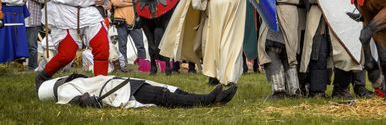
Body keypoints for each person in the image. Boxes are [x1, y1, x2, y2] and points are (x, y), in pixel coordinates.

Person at [160, 0, 245, 95]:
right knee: (209, 48)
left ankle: (229, 78)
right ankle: (213, 76)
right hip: (210, 20)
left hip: (229, 22)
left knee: (227, 48)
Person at [258, 0, 302, 99]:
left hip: (279, 14)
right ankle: (294, 89)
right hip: (291, 14)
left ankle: (279, 91)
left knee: (273, 50)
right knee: (288, 54)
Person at [37, 73, 236, 108]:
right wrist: (86, 101)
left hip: (123, 83)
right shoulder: (65, 90)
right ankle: (207, 100)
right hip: (118, 92)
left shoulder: (77, 81)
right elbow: (77, 100)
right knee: (162, 96)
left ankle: (215, 97)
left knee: (168, 88)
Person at [108, 0, 146, 72]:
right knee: (122, 46)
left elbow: (138, 0)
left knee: (140, 45)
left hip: (134, 21)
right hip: (121, 22)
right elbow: (115, 3)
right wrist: (130, 1)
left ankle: (143, 67)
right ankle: (123, 67)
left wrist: (123, 1)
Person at [0, 0, 30, 64]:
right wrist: (20, 0)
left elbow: (22, 2)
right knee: (6, 37)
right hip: (6, 16)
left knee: (19, 38)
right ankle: (6, 61)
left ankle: (19, 60)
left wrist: (16, 1)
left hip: (18, 16)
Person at [19, 0, 43, 70]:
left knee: (32, 46)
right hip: (19, 19)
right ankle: (18, 66)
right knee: (18, 44)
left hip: (33, 18)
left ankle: (32, 67)